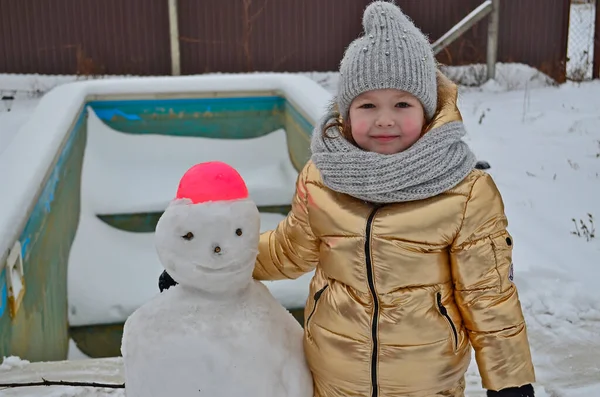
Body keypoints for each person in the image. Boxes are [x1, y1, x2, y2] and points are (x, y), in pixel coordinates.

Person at [159, 2, 535, 396]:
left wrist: (510, 381)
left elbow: (489, 297)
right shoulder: (323, 180)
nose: (384, 119)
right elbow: (288, 250)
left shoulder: (465, 192)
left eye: (402, 104)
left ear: (427, 110)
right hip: (334, 377)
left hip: (426, 383)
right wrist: (208, 265)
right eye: (368, 105)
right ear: (345, 112)